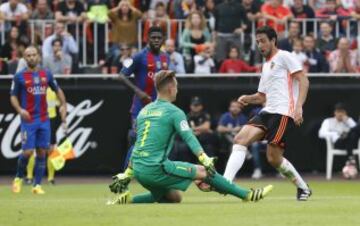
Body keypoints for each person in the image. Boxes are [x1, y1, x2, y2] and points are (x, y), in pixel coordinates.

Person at [108, 70, 273, 204]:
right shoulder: (174, 112)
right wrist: (204, 158)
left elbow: (138, 144)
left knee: (174, 197)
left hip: (139, 170)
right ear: (171, 89)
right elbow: (189, 138)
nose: (177, 90)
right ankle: (247, 195)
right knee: (203, 171)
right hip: (156, 168)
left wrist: (128, 173)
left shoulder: (144, 111)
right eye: (177, 87)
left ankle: (129, 200)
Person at [223, 26, 312, 201]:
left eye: (263, 40)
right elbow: (261, 96)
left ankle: (303, 188)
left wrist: (299, 107)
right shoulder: (265, 66)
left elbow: (304, 80)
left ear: (273, 40)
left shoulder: (285, 56)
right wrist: (247, 98)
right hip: (267, 111)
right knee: (240, 139)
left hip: (283, 113)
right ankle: (225, 182)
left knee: (273, 158)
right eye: (257, 41)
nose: (260, 45)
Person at [10, 46, 67, 194]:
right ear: (24, 58)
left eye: (34, 55)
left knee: (42, 152)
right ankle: (18, 178)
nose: (31, 58)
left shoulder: (46, 74)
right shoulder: (19, 77)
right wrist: (20, 110)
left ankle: (37, 185)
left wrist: (63, 105)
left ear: (39, 57)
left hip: (44, 119)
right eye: (28, 56)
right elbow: (13, 96)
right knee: (28, 152)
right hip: (28, 120)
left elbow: (57, 90)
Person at [117, 26, 169, 169]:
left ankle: (153, 171)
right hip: (140, 105)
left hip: (159, 105)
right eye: (153, 38)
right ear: (147, 39)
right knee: (135, 138)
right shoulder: (139, 56)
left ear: (163, 39)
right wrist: (139, 92)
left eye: (159, 38)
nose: (156, 40)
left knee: (158, 140)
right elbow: (121, 76)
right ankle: (125, 174)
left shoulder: (166, 57)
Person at [319, 103, 360, 168]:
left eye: (342, 112)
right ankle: (350, 158)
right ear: (334, 112)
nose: (340, 114)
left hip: (350, 143)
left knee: (352, 134)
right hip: (338, 143)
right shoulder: (328, 121)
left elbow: (357, 131)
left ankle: (350, 160)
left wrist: (348, 122)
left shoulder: (349, 120)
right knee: (348, 135)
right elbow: (321, 133)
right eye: (338, 112)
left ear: (345, 113)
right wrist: (335, 134)